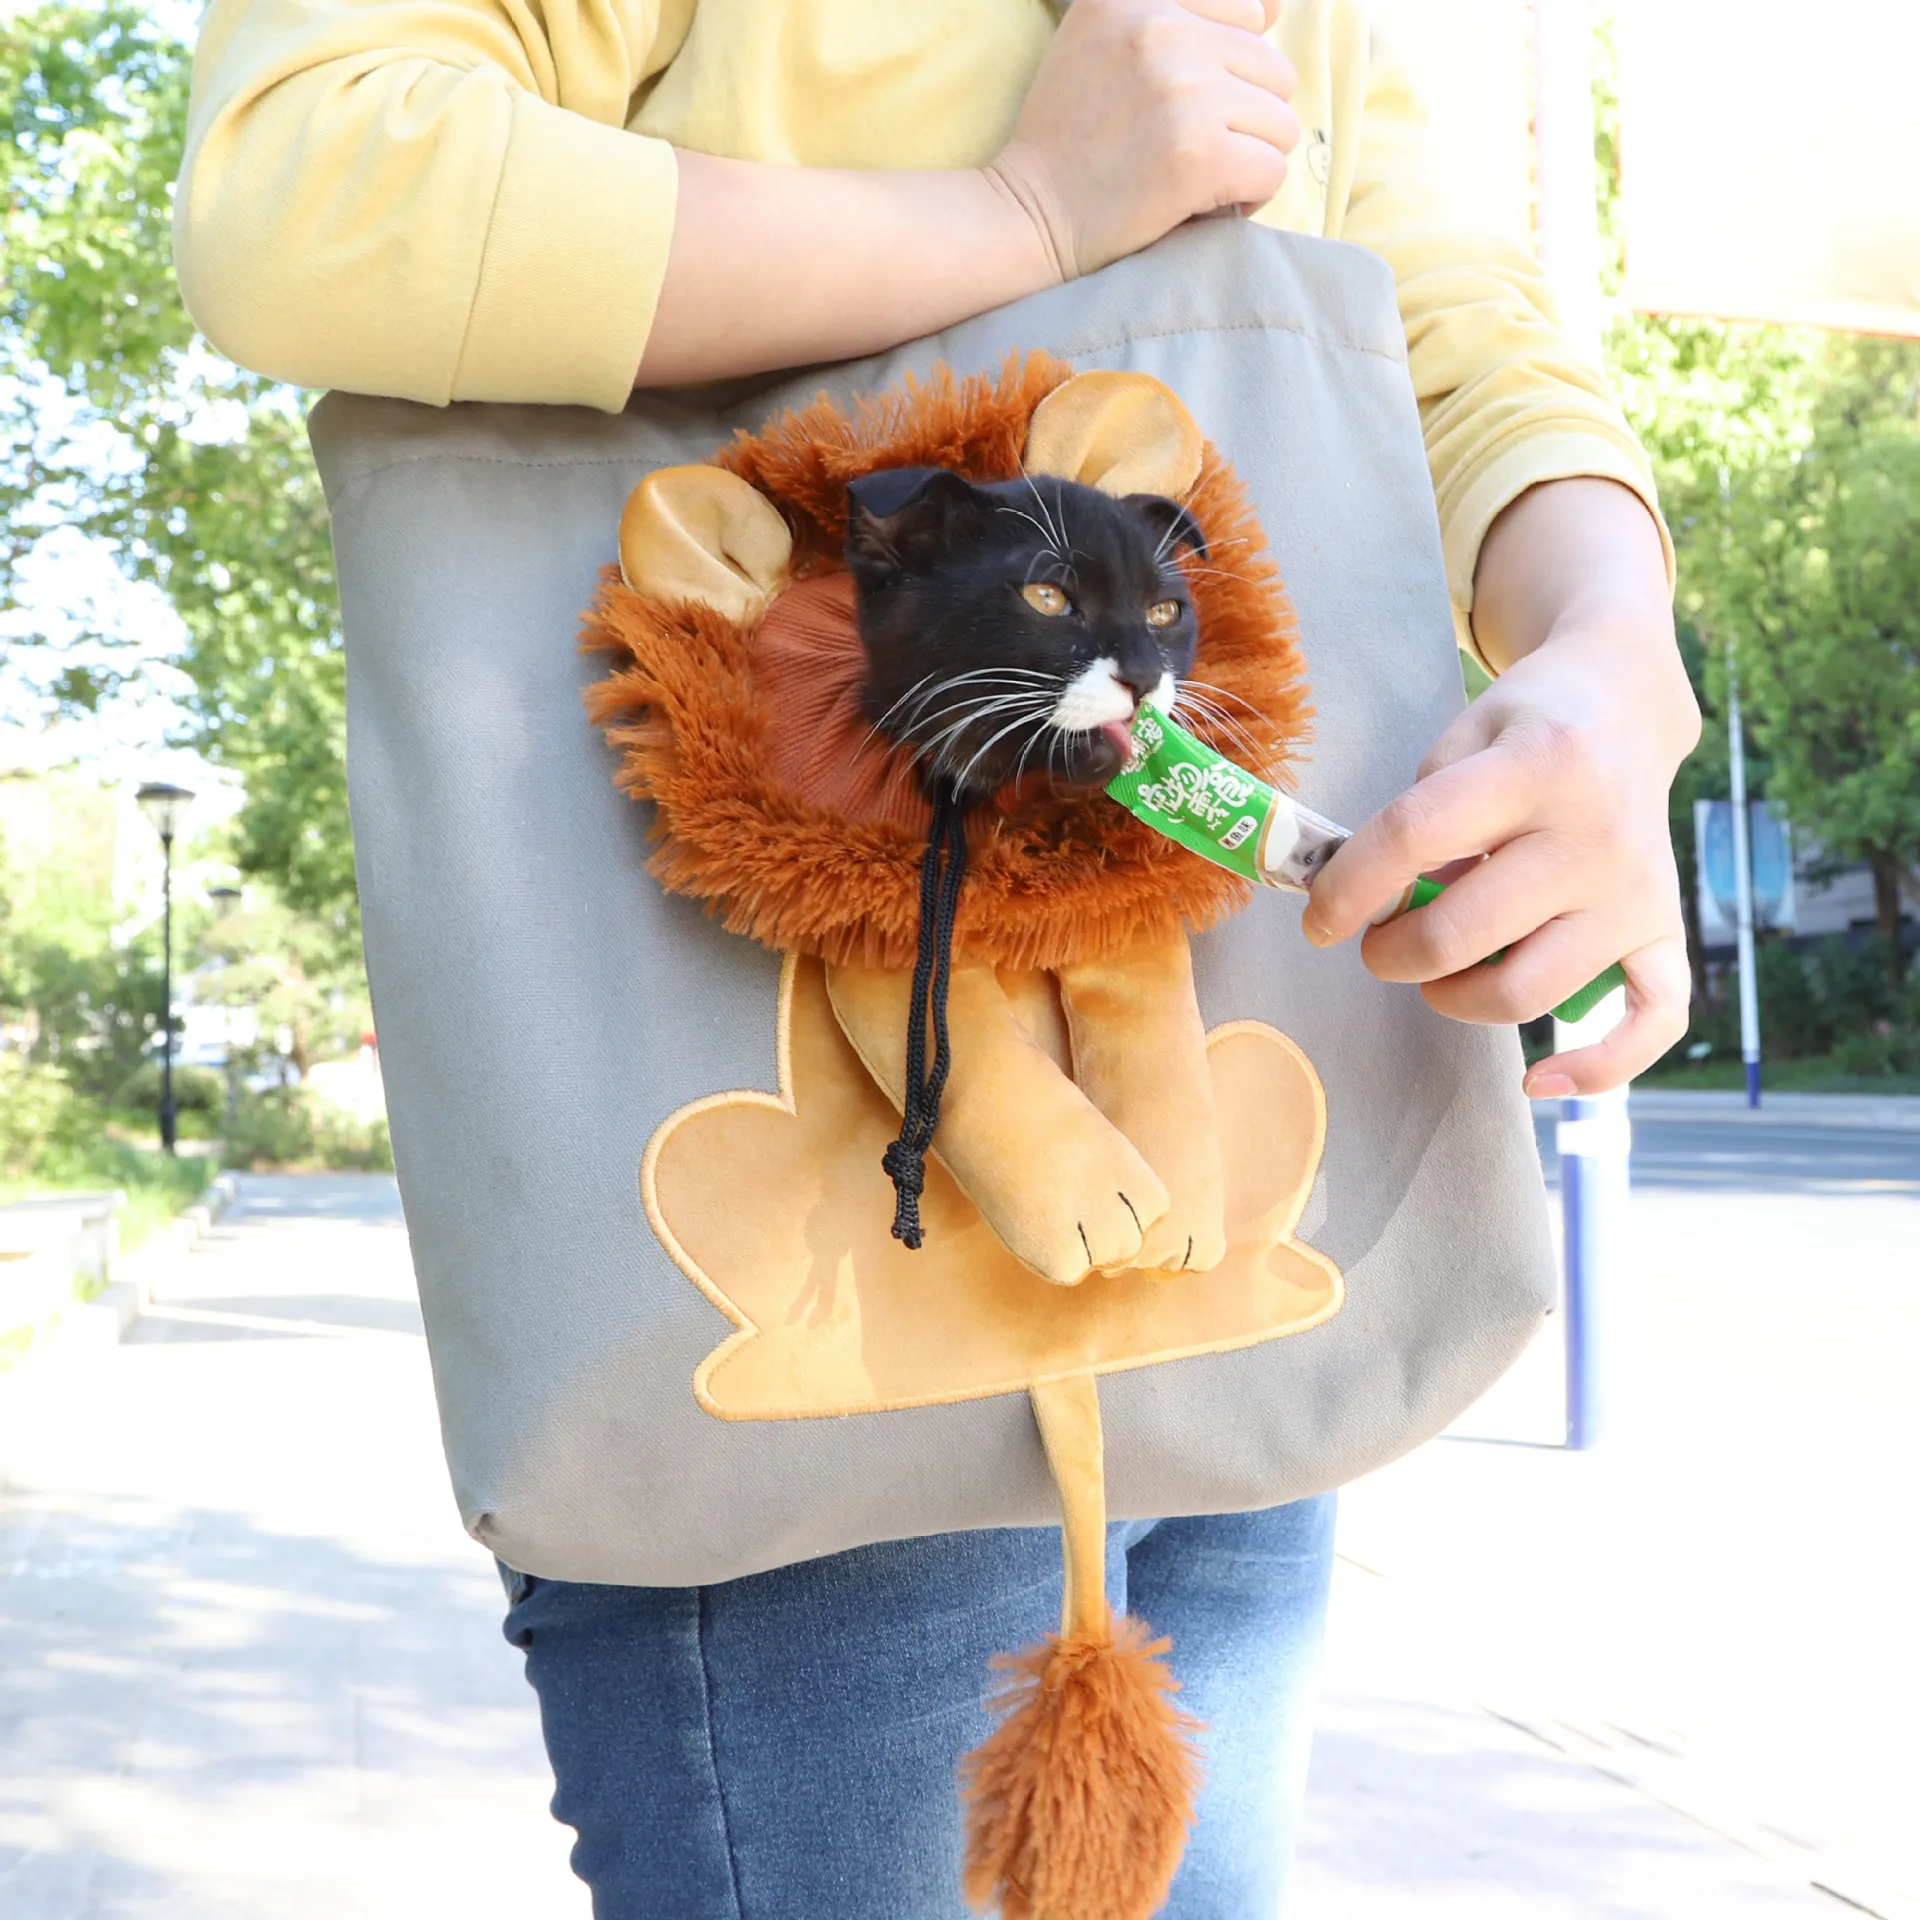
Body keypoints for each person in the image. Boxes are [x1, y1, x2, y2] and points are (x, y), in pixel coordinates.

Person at [173, 2, 1700, 1913]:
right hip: (818, 1309)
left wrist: (1609, 650)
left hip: (1231, 1248)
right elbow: (304, 182)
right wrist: (1024, 210)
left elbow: (1426, 300)